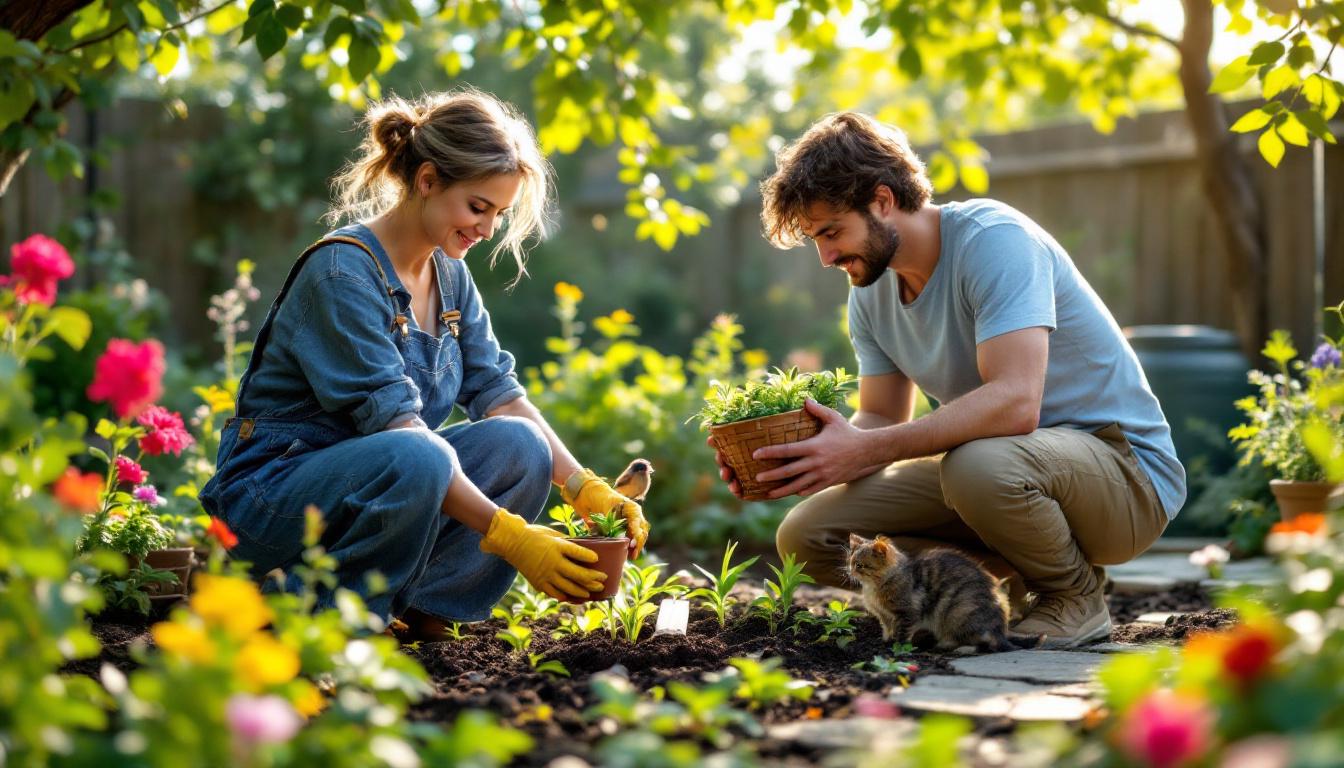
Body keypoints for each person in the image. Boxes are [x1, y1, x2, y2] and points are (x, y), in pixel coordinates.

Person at [711, 111, 1185, 648]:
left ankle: (1074, 596)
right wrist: (808, 458)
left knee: (976, 466)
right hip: (1008, 472)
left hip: (1124, 477)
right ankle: (999, 583)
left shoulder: (994, 240)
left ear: (883, 201)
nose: (825, 257)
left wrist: (864, 450)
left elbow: (1014, 404)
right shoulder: (870, 291)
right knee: (808, 536)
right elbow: (883, 420)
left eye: (831, 232)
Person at [200, 89, 649, 638]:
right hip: (273, 501)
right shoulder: (342, 272)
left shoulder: (450, 275)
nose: (486, 230)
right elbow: (400, 428)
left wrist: (582, 486)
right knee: (420, 453)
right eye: (477, 207)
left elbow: (499, 392)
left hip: (366, 490)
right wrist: (510, 534)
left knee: (520, 445)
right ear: (429, 180)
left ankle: (425, 613)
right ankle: (314, 613)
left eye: (498, 214)